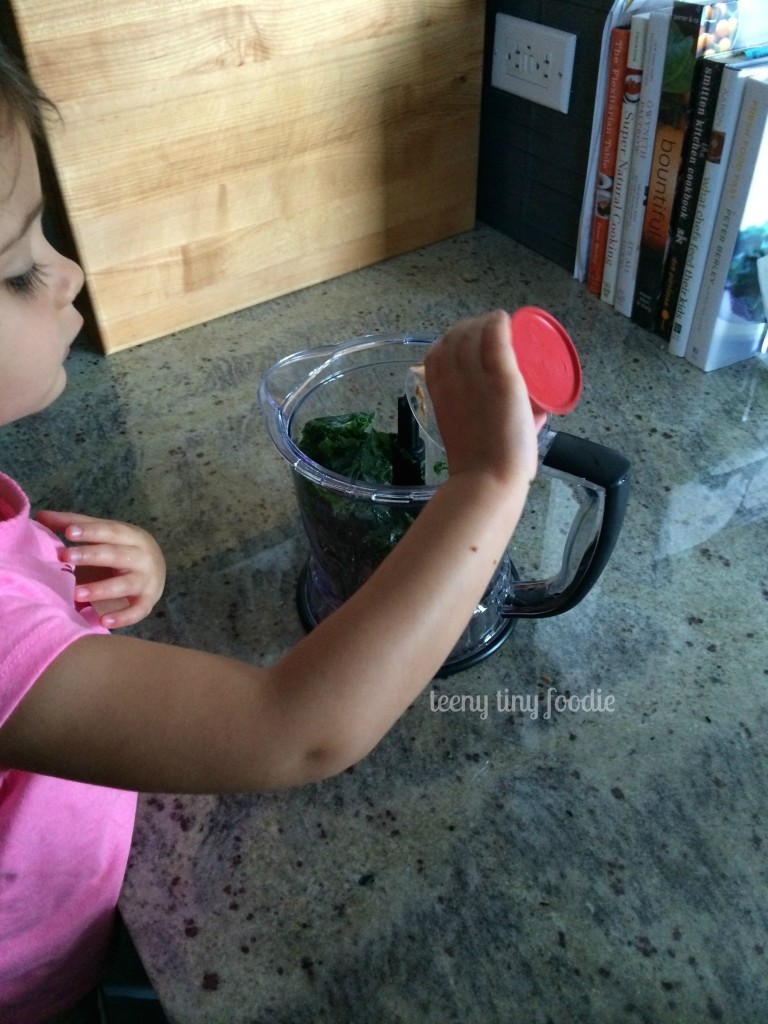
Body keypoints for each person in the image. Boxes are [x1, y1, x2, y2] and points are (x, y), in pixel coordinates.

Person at [0, 42, 540, 1023]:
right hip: (40, 970)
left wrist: (80, 575)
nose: (71, 270)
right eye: (17, 267)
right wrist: (488, 485)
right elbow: (293, 729)